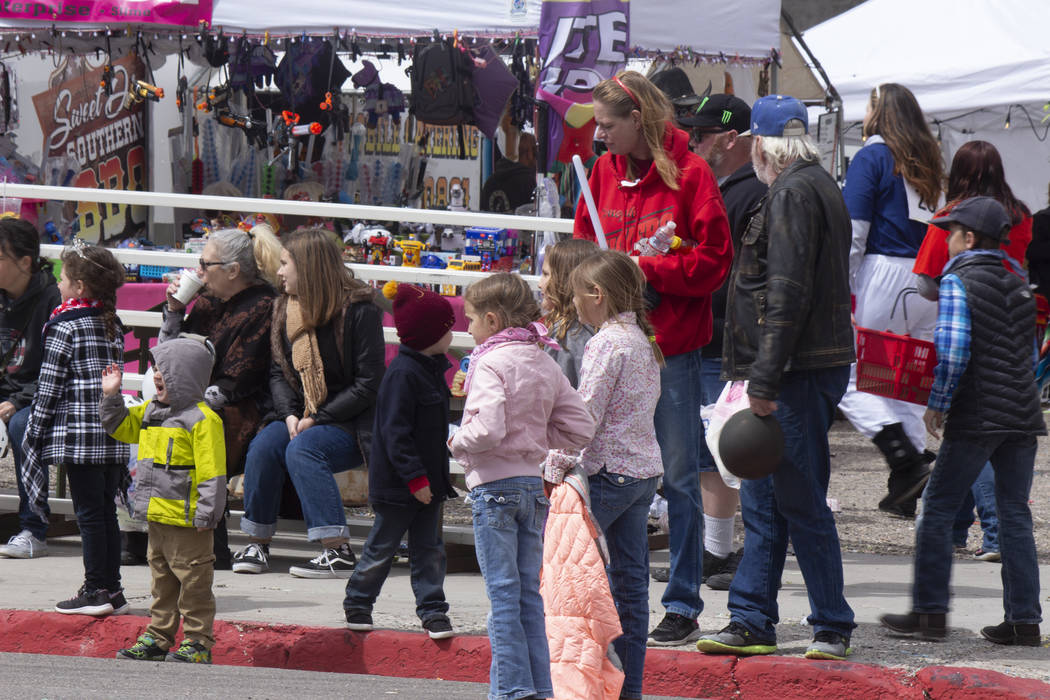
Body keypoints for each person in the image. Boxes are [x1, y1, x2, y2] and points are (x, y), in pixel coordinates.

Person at [575, 69, 733, 647]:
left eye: (608, 124)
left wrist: (649, 270)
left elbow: (716, 261)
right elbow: (582, 254)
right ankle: (611, 595)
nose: (599, 135)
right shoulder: (600, 173)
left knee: (680, 478)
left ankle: (683, 601)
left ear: (637, 118)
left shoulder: (690, 174)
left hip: (672, 350)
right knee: (603, 469)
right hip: (613, 349)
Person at [697, 95, 856, 661]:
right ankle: (751, 617)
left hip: (793, 371)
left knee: (797, 497)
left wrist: (762, 380)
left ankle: (830, 622)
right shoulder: (816, 184)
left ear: (761, 144)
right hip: (801, 364)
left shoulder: (790, 192)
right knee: (765, 500)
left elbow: (785, 293)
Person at [879, 197, 1044, 645]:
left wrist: (938, 402)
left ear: (968, 238)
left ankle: (930, 614)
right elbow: (1029, 356)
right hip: (1023, 415)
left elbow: (952, 350)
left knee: (936, 508)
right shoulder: (1019, 281)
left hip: (976, 413)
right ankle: (1024, 620)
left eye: (951, 232)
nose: (946, 239)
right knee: (1014, 515)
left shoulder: (958, 281)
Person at [449, 273, 595, 700]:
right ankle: (538, 686)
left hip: (494, 488)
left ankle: (511, 689)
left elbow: (488, 428)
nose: (468, 328)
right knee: (529, 595)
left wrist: (458, 440)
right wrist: (534, 437)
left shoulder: (490, 362)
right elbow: (580, 426)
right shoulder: (542, 360)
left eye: (471, 320)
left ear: (492, 320)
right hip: (532, 487)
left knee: (503, 596)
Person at [545, 250, 664, 700]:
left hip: (607, 474)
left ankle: (589, 685)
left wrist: (554, 467)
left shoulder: (605, 344)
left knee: (576, 591)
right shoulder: (639, 340)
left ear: (596, 295)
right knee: (630, 590)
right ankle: (627, 689)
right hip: (641, 474)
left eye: (576, 296)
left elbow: (584, 416)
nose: (572, 304)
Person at [232, 228, 385, 578]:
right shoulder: (285, 307)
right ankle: (257, 542)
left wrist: (317, 418)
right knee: (265, 446)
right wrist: (287, 415)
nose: (280, 271)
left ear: (310, 267)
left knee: (304, 450)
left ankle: (338, 550)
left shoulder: (360, 311)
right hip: (299, 415)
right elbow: (277, 372)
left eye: (286, 264)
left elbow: (368, 385)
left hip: (352, 422)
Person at [912, 140, 1033, 560]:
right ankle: (959, 531)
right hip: (1017, 333)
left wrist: (937, 401)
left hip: (969, 327)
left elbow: (926, 282)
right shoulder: (1019, 216)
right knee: (974, 441)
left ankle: (984, 535)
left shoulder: (951, 219)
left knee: (972, 433)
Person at [837, 83, 946, 519]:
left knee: (846, 376)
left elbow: (854, 231)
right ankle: (910, 485)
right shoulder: (930, 159)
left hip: (882, 273)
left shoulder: (874, 157)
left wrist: (840, 285)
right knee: (907, 382)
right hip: (923, 277)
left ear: (878, 112)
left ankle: (904, 460)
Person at [676, 92, 769, 590]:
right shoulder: (726, 186)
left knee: (731, 451)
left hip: (728, 339)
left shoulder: (750, 192)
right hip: (711, 334)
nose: (696, 144)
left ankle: (738, 555)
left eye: (703, 136)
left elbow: (741, 274)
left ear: (731, 138)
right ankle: (718, 552)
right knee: (705, 451)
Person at [160, 225, 282, 568]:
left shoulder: (262, 305)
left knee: (196, 428)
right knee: (149, 422)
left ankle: (211, 544)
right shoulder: (208, 300)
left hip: (241, 406)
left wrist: (185, 405)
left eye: (205, 263)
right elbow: (169, 356)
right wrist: (174, 310)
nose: (198, 271)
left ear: (233, 270)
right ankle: (144, 537)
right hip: (199, 398)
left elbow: (239, 380)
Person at [343, 282, 458, 639]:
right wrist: (416, 480)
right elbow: (395, 435)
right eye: (446, 328)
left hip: (429, 485)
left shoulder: (432, 370)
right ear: (429, 335)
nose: (452, 334)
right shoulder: (403, 375)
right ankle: (359, 603)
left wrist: (432, 481)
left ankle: (432, 610)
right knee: (382, 547)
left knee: (430, 551)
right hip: (401, 486)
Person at [21, 240, 130, 616]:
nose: (59, 284)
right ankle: (112, 588)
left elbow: (49, 388)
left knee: (88, 515)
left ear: (80, 286)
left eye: (63, 278)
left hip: (81, 439)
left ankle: (95, 588)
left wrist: (34, 430)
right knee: (105, 512)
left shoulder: (64, 326)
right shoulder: (111, 323)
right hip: (112, 436)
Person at [102, 338, 226, 664]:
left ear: (186, 376)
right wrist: (112, 396)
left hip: (188, 522)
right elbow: (118, 425)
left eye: (165, 371)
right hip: (157, 517)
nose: (157, 376)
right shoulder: (150, 413)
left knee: (194, 583)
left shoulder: (203, 420)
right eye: (155, 369)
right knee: (162, 582)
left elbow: (213, 473)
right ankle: (159, 637)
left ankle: (199, 642)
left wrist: (208, 514)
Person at [0, 218, 62, 559]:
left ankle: (33, 529)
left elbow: (57, 370)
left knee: (23, 424)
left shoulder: (53, 300)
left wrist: (15, 401)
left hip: (43, 395)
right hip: (8, 392)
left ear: (25, 262)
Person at [538, 238, 599, 388]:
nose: (540, 284)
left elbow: (555, 395)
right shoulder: (595, 326)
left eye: (546, 274)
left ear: (565, 281)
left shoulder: (567, 334)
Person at [480, 131, 538, 214]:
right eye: (535, 153)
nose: (535, 161)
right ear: (528, 153)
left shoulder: (490, 182)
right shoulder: (527, 182)